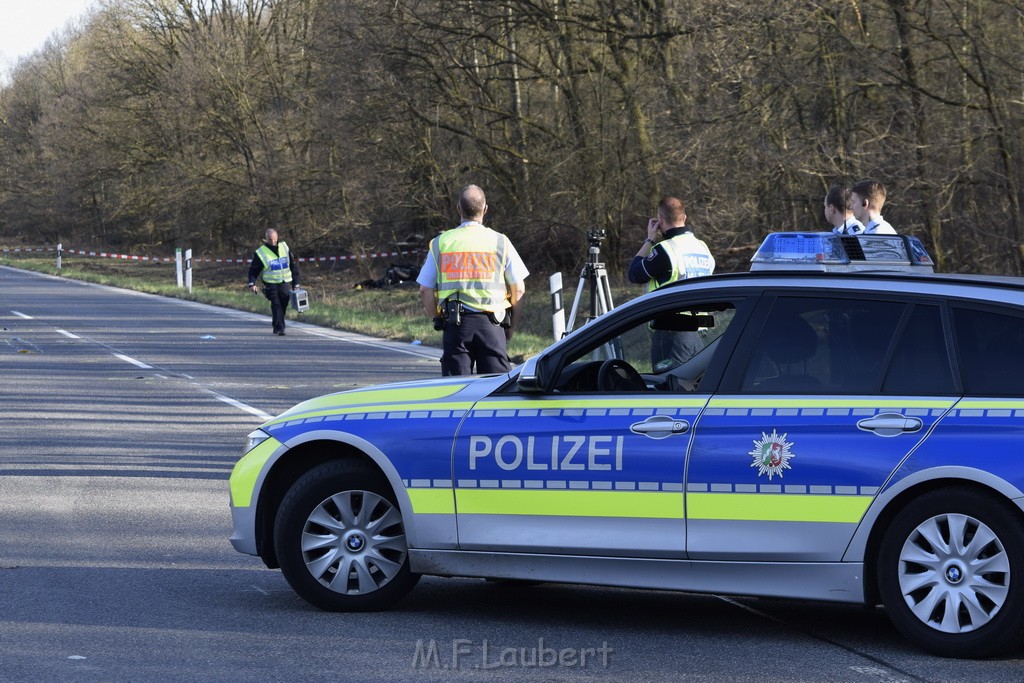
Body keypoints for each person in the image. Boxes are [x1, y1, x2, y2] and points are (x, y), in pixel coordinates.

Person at [417, 184, 529, 376]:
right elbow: (518, 290)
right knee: (496, 392)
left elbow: (424, 290)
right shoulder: (501, 241)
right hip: (493, 326)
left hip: (456, 326)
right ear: (485, 209)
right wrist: (509, 328)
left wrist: (437, 317)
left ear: (458, 208)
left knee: (457, 392)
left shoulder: (441, 243)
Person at [627, 196, 715, 370]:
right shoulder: (703, 248)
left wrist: (650, 239)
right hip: (700, 336)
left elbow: (634, 274)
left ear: (660, 220)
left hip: (672, 333)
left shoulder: (666, 249)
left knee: (669, 390)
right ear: (684, 217)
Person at [247, 228, 301, 336]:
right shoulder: (261, 252)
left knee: (284, 302)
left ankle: (276, 322)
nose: (273, 241)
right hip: (270, 282)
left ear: (277, 237)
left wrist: (296, 284)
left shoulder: (285, 247)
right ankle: (280, 328)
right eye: (270, 239)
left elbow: (293, 266)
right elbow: (253, 270)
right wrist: (252, 283)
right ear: (265, 239)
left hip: (284, 281)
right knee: (276, 303)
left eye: (274, 239)